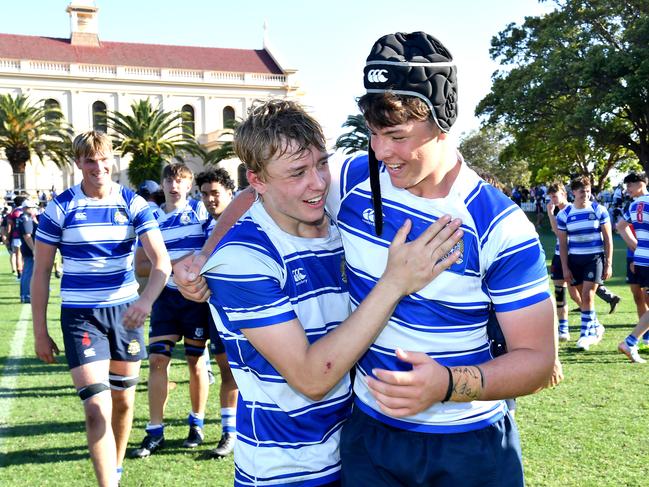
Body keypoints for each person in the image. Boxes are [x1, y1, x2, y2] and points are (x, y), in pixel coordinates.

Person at [200, 99, 462, 487]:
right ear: (257, 181)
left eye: (321, 164)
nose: (319, 183)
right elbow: (310, 377)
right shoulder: (242, 259)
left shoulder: (338, 222)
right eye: (297, 173)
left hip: (357, 456)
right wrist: (394, 283)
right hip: (286, 471)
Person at [32, 131, 171, 487]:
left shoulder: (133, 204)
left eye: (103, 158)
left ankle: (116, 467)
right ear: (78, 163)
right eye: (89, 160)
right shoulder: (60, 207)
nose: (97, 166)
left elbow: (161, 264)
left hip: (126, 314)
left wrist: (145, 301)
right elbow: (42, 272)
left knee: (123, 403)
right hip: (81, 316)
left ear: (113, 160)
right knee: (96, 408)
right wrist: (40, 332)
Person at [131, 163, 212, 458]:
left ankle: (197, 423)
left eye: (180, 180)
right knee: (156, 361)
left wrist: (185, 265)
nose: (174, 185)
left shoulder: (200, 213)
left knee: (195, 363)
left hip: (195, 300)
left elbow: (211, 250)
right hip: (165, 299)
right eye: (169, 180)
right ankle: (155, 430)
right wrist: (171, 267)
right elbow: (140, 265)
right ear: (162, 185)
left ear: (189, 185)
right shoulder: (151, 217)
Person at [194, 168, 238, 458]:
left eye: (215, 193)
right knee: (227, 371)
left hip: (244, 308)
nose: (210, 199)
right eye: (205, 194)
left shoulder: (243, 220)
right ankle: (229, 432)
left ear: (230, 194)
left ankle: (237, 431)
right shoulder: (204, 228)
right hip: (216, 309)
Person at [547, 183, 621, 341]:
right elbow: (558, 235)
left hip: (580, 256)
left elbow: (606, 237)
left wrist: (608, 263)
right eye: (551, 196)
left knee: (580, 295)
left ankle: (589, 326)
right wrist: (550, 214)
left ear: (565, 194)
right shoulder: (560, 213)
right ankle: (565, 328)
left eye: (555, 196)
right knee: (561, 292)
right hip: (562, 256)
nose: (552, 199)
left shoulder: (580, 209)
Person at [557, 175, 612, 351]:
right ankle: (596, 326)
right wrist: (565, 267)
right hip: (575, 260)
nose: (585, 194)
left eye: (588, 191)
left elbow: (608, 239)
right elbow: (563, 244)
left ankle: (584, 336)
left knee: (588, 296)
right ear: (573, 192)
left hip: (594, 258)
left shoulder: (599, 209)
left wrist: (608, 263)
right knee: (583, 298)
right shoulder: (564, 214)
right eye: (582, 191)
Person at [616, 171, 649, 362]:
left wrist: (636, 247)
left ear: (641, 183)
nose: (627, 189)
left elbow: (621, 226)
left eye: (630, 184)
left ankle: (633, 341)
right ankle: (630, 342)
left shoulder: (635, 204)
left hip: (642, 259)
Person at [17, 199, 38, 303]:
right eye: (32, 208)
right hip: (29, 248)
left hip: (26, 247)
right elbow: (27, 236)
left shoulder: (24, 217)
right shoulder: (26, 218)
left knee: (28, 272)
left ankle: (25, 294)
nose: (34, 209)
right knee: (28, 272)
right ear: (26, 208)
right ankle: (26, 295)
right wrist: (34, 250)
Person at [7, 195, 25, 279]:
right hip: (26, 235)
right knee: (26, 254)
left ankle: (19, 272)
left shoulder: (13, 212)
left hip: (16, 235)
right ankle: (26, 271)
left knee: (18, 254)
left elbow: (9, 226)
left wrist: (8, 237)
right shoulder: (26, 210)